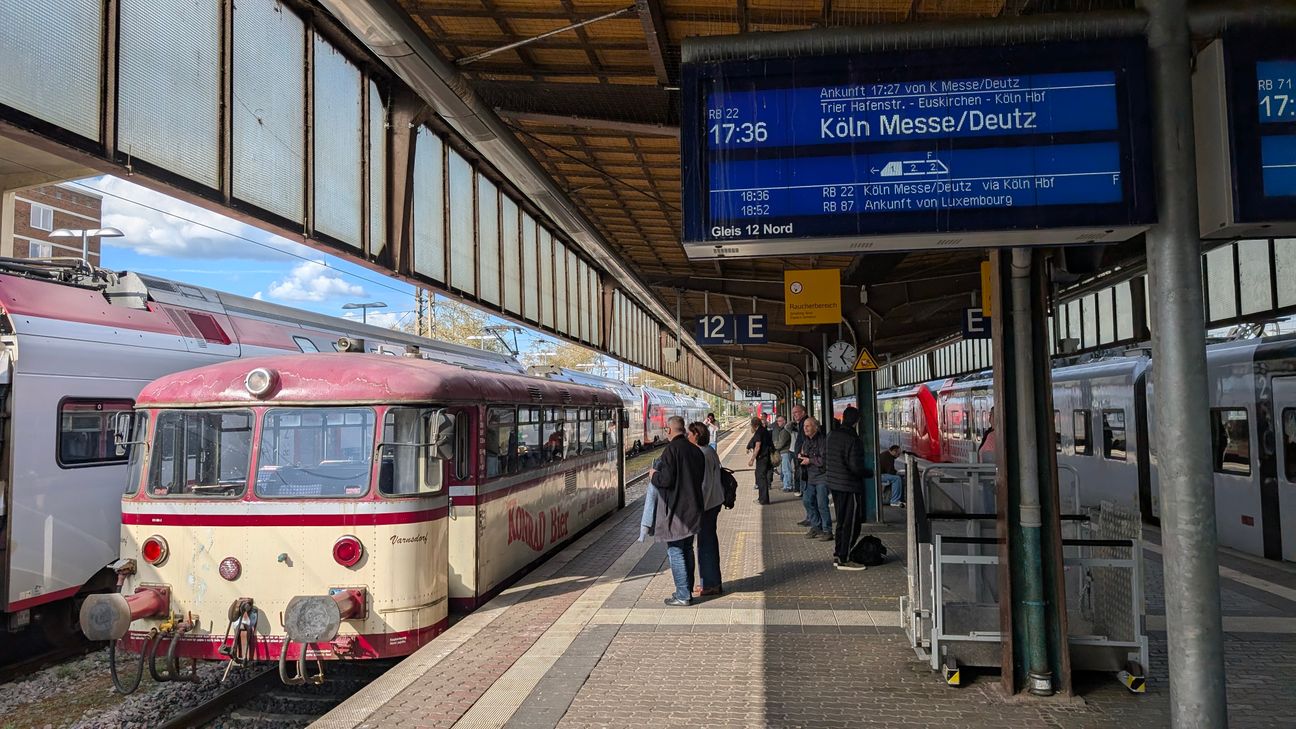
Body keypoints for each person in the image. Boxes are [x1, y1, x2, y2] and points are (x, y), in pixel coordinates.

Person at [650, 416, 706, 606]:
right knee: (687, 549)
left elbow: (666, 481)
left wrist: (654, 476)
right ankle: (687, 589)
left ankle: (683, 594)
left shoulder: (671, 450)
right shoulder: (696, 450)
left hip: (677, 511)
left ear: (669, 430)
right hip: (695, 507)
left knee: (675, 551)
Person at [826, 406, 872, 570]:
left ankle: (838, 554)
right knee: (851, 523)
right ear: (857, 421)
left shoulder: (832, 435)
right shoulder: (854, 439)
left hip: (834, 485)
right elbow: (855, 467)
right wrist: (868, 473)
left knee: (841, 522)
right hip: (849, 486)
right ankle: (844, 558)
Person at [688, 422, 724, 596]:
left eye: (689, 434)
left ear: (696, 435)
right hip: (714, 502)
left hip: (707, 505)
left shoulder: (701, 454)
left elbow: (703, 485)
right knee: (708, 543)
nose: (688, 437)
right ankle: (709, 582)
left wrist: (696, 507)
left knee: (706, 545)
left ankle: (710, 585)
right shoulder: (710, 451)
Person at [796, 417, 833, 542]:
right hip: (809, 477)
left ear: (815, 427)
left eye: (808, 426)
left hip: (822, 476)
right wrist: (802, 457)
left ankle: (827, 530)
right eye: (804, 426)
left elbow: (825, 460)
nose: (805, 428)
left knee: (822, 504)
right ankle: (816, 526)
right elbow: (807, 455)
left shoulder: (823, 441)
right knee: (807, 501)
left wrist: (809, 460)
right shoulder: (806, 441)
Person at [746, 416, 774, 505]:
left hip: (762, 458)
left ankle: (763, 500)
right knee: (762, 477)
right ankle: (762, 498)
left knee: (761, 478)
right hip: (766, 457)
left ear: (754, 425)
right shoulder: (763, 430)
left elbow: (757, 447)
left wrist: (752, 459)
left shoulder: (758, 433)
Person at [772, 415, 794, 492]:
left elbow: (781, 443)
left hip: (785, 452)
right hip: (784, 452)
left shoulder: (784, 431)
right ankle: (786, 485)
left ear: (784, 421)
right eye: (777, 421)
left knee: (786, 469)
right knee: (784, 469)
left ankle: (788, 486)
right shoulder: (783, 430)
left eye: (780, 421)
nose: (778, 422)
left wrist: (774, 447)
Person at [788, 404, 806, 495]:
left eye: (796, 412)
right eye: (793, 413)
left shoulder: (805, 423)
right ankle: (802, 490)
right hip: (800, 454)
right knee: (799, 471)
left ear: (803, 412)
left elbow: (805, 440)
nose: (794, 415)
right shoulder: (801, 423)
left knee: (801, 472)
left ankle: (803, 491)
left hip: (803, 455)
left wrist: (801, 452)